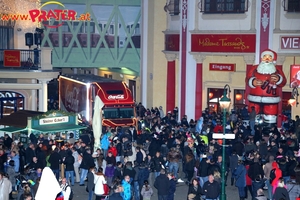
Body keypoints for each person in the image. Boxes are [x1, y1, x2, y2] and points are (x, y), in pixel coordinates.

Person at [246, 49, 287, 126]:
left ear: (272, 59)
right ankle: (254, 127)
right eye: (265, 56)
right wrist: (253, 81)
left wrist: (278, 79)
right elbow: (247, 79)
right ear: (261, 58)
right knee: (254, 116)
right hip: (255, 97)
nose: (267, 59)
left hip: (271, 98)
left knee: (270, 116)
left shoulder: (277, 70)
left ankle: (268, 128)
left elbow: (283, 82)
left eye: (269, 57)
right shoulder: (254, 68)